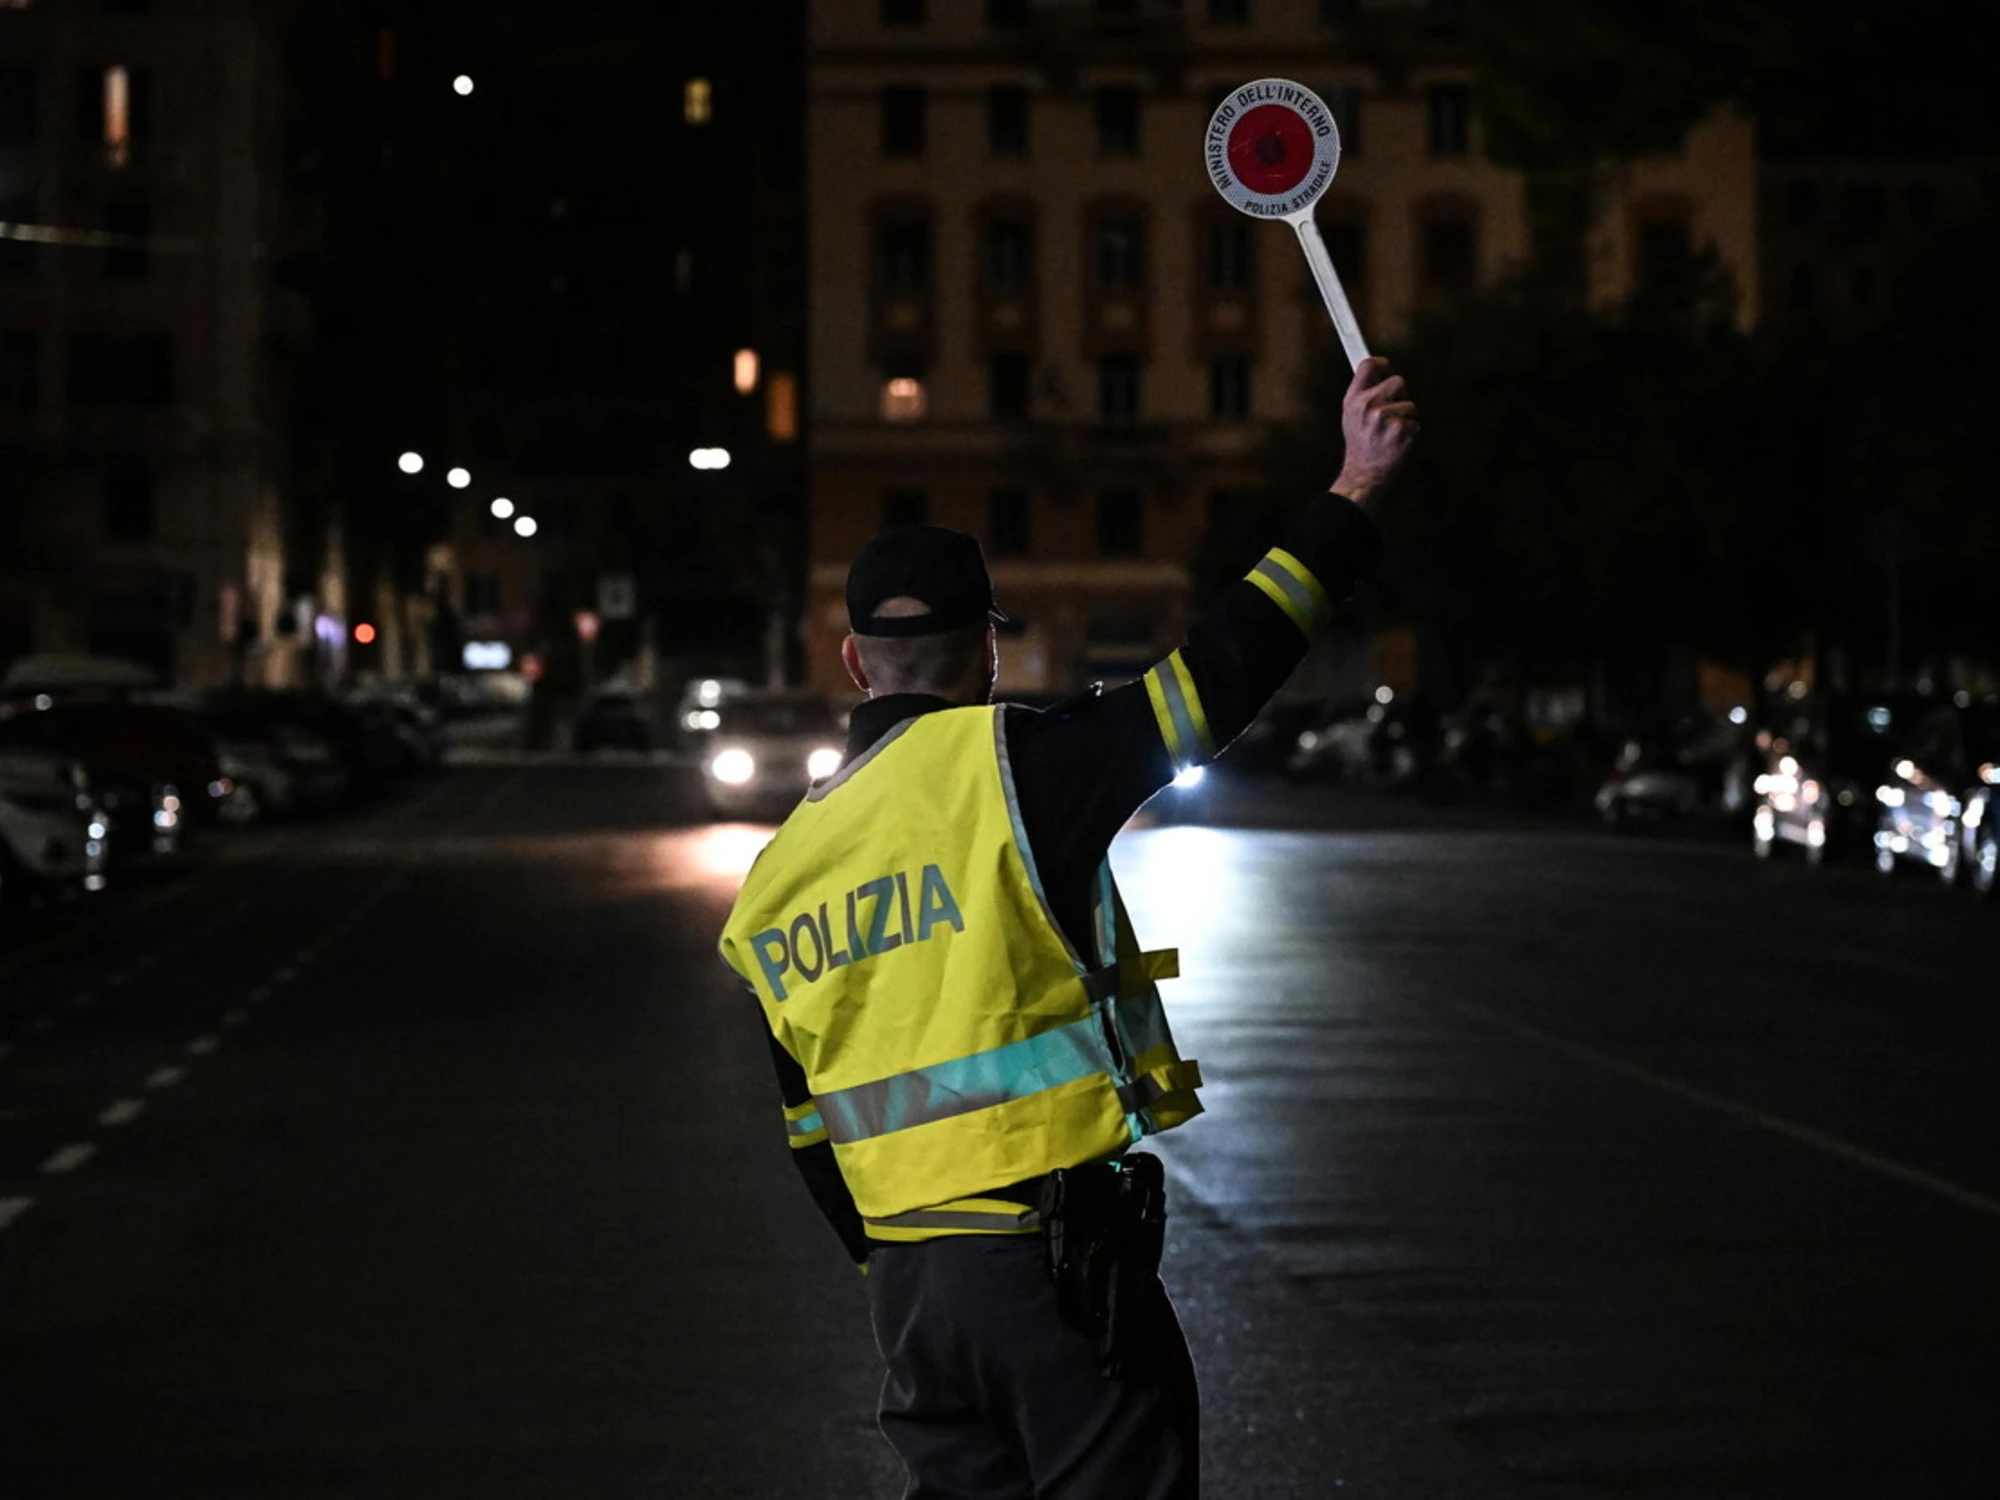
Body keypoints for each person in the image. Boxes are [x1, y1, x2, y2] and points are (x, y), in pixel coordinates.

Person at [719, 356, 1417, 1498]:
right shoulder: (1017, 770)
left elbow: (806, 1130)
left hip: (908, 1285)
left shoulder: (776, 879)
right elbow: (1220, 675)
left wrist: (901, 1250)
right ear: (986, 649)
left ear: (851, 661)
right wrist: (1351, 490)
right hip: (1045, 1265)